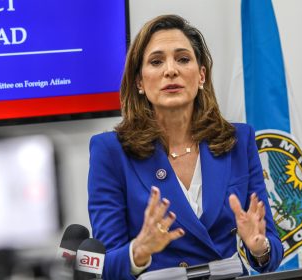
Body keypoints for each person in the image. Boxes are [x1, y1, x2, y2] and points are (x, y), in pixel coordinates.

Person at [88, 14, 283, 279]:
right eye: (156, 62)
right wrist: (138, 251)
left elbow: (268, 245)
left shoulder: (238, 140)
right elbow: (104, 267)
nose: (171, 70)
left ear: (201, 75)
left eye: (183, 59)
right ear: (140, 82)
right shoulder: (111, 151)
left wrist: (260, 249)